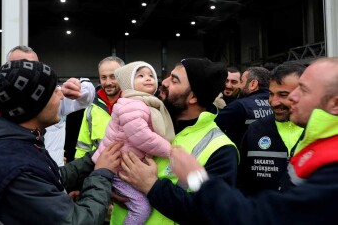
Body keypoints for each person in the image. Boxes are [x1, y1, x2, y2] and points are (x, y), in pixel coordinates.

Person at [119, 57, 338, 224]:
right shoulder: (144, 121)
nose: (291, 97)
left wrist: (161, 185)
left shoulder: (219, 147)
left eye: (304, 90)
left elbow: (258, 216)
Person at [0, 60, 121, 224]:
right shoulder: (16, 165)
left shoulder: (10, 142)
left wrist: (94, 158)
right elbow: (76, 221)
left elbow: (50, 177)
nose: (61, 95)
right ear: (34, 105)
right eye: (54, 91)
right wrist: (101, 174)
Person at [110, 58, 239, 224]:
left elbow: (210, 212)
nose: (163, 82)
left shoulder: (220, 148)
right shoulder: (146, 117)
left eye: (174, 79)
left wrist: (152, 186)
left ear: (193, 97)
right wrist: (107, 184)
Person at [0, 45, 95, 166]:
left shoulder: (53, 97)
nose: (30, 72)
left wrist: (80, 89)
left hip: (53, 175)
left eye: (35, 66)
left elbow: (86, 96)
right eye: (22, 66)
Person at [92, 61, 174, 224]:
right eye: (141, 76)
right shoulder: (132, 104)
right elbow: (141, 136)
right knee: (141, 207)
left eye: (151, 75)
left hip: (122, 163)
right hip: (117, 169)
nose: (148, 78)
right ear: (128, 82)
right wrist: (170, 150)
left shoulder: (144, 103)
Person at [237, 62, 305, 195]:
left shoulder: (322, 132)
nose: (274, 102)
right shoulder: (255, 130)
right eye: (271, 94)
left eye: (283, 95)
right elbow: (242, 183)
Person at [75, 56, 124, 159]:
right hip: (99, 170)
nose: (108, 82)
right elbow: (83, 146)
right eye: (104, 77)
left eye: (113, 76)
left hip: (129, 171)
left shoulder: (136, 104)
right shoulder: (91, 108)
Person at [215, 66, 273, 147]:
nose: (240, 86)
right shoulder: (277, 104)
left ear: (253, 84)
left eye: (241, 82)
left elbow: (211, 125)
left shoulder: (240, 105)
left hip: (243, 157)